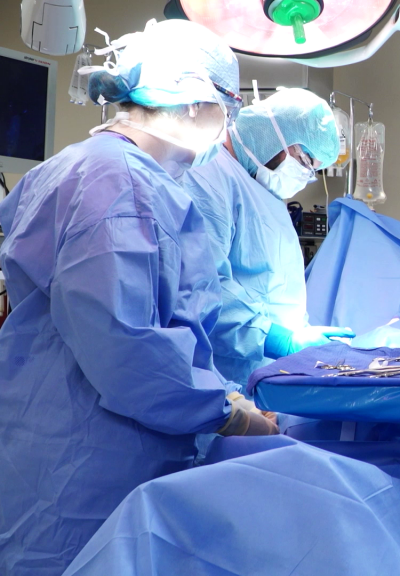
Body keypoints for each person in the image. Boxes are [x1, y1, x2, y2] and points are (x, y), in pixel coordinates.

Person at [0, 20, 278, 576]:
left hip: (59, 442)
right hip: (86, 472)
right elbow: (122, 342)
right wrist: (226, 411)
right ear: (197, 100)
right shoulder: (113, 181)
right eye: (228, 106)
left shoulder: (97, 172)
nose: (227, 124)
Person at [180, 89, 351, 384]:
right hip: (225, 380)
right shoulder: (207, 173)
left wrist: (300, 338)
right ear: (276, 134)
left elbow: (275, 289)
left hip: (265, 376)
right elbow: (202, 289)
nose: (306, 176)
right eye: (306, 162)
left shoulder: (261, 191)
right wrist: (280, 340)